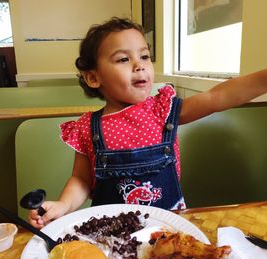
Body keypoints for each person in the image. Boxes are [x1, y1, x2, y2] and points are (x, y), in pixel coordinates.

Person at [29, 17, 267, 228]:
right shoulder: (87, 127)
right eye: (123, 59)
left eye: (144, 56)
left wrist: (264, 79)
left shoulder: (162, 110)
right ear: (93, 77)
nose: (139, 64)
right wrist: (63, 205)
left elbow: (216, 97)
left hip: (169, 227)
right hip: (111, 233)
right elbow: (81, 180)